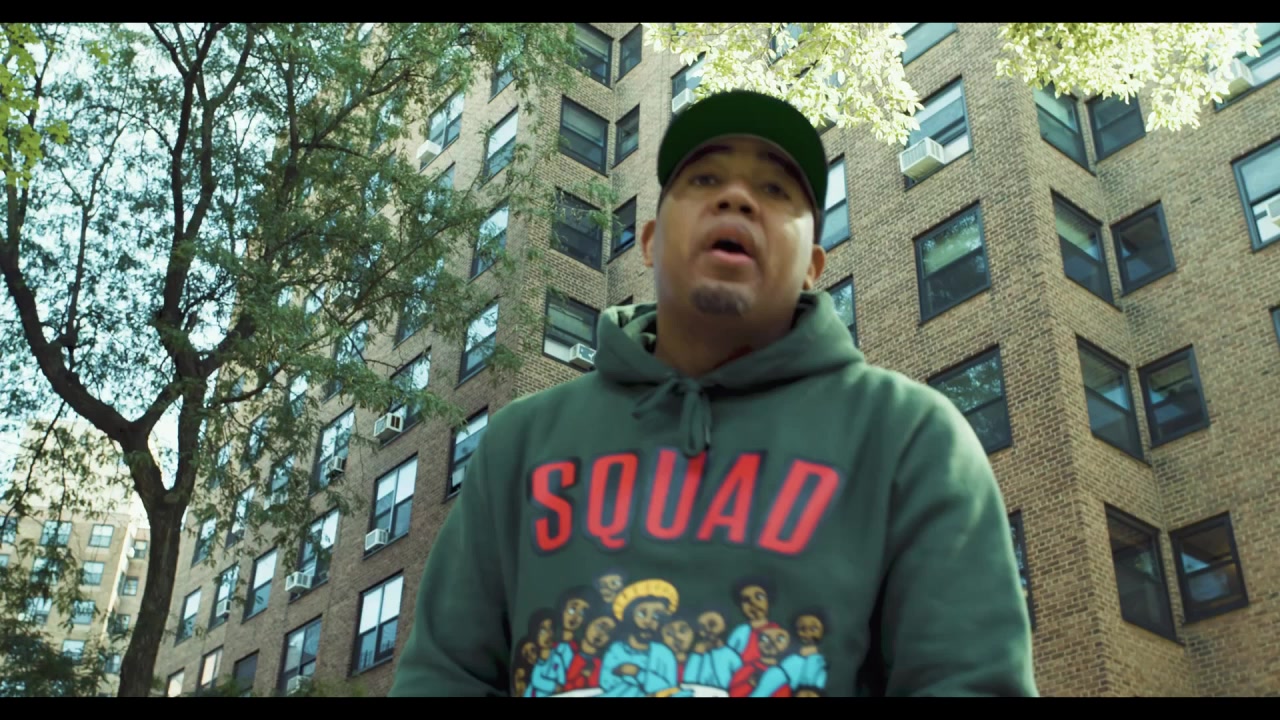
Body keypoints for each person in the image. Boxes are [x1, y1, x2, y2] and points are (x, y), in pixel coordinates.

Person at [389, 89, 1038, 698]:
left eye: (776, 190)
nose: (736, 198)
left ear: (813, 266)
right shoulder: (520, 444)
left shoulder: (911, 439)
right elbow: (443, 676)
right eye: (703, 180)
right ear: (649, 242)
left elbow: (967, 681)